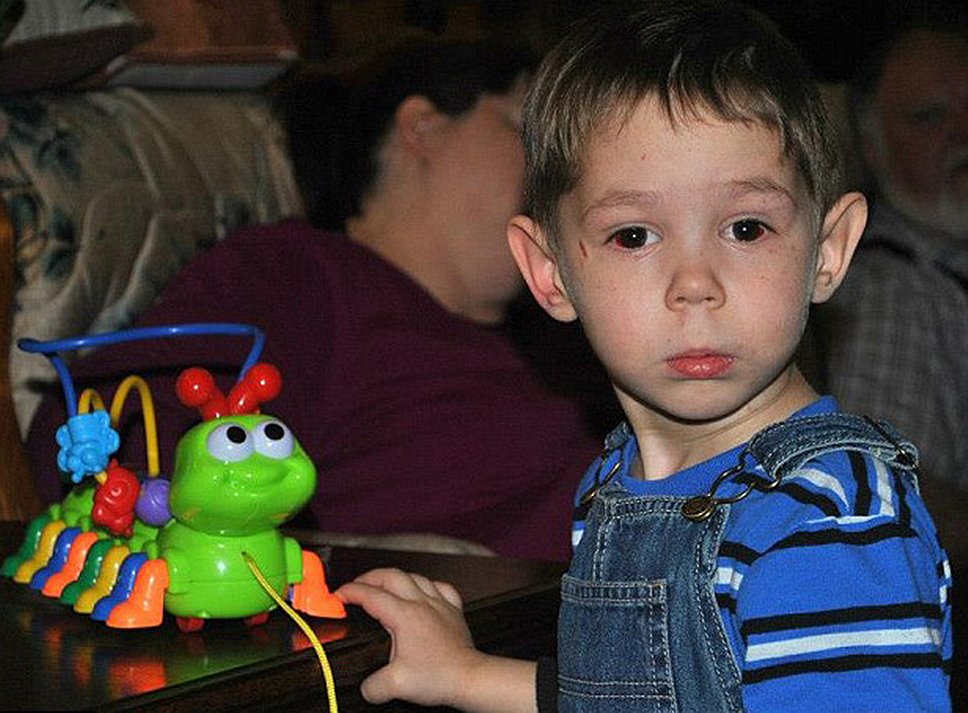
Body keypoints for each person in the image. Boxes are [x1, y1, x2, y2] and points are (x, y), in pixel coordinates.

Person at [335, 2, 953, 711]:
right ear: (551, 272)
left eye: (746, 228)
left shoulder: (826, 518)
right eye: (634, 235)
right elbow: (626, 696)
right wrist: (466, 674)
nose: (695, 284)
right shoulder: (613, 485)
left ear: (828, 250)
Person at [24, 38, 617, 562]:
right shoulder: (298, 276)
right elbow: (107, 443)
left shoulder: (566, 332)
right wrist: (367, 562)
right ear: (422, 126)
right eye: (527, 129)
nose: (561, 168)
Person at [804, 20, 968, 564]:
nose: (963, 133)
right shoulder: (891, 291)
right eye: (929, 117)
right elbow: (885, 489)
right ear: (873, 150)